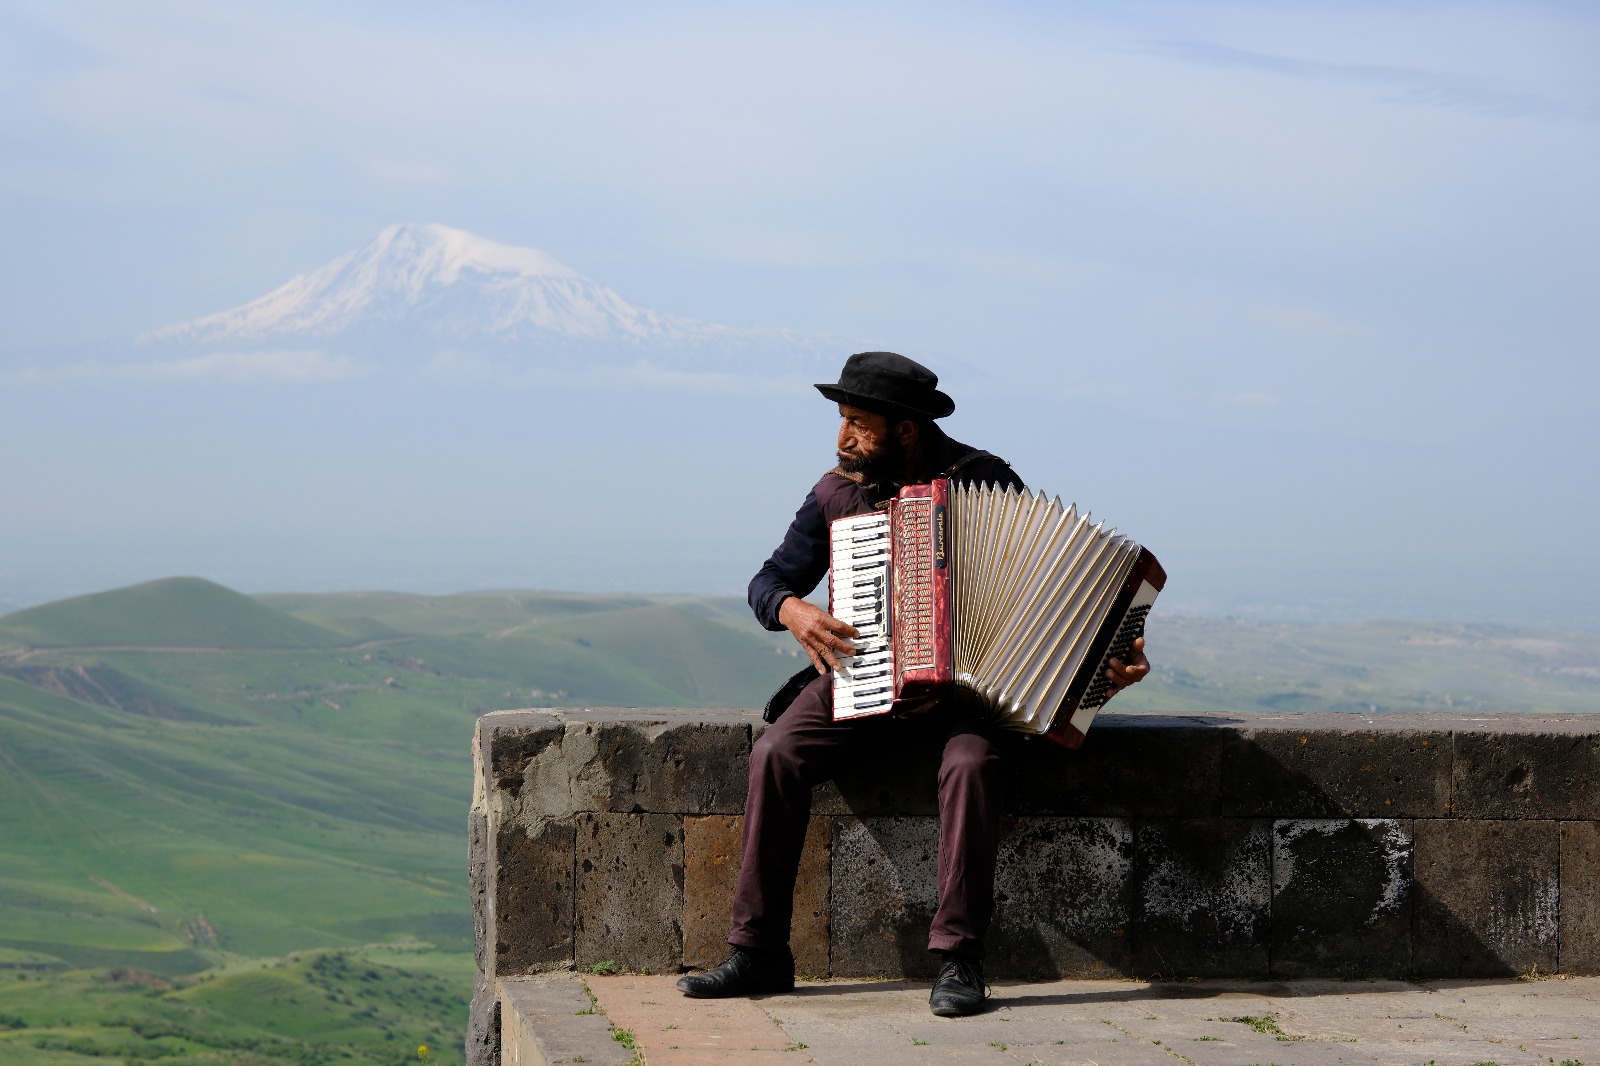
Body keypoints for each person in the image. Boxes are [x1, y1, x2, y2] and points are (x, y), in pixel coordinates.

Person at [676, 352, 1150, 1016]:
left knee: (972, 762)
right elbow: (767, 583)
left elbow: (1050, 596)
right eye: (842, 420)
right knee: (775, 754)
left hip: (967, 695)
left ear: (905, 428)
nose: (843, 437)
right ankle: (759, 954)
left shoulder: (984, 480)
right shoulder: (836, 492)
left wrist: (1103, 671)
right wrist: (796, 611)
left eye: (856, 422)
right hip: (863, 672)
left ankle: (959, 960)